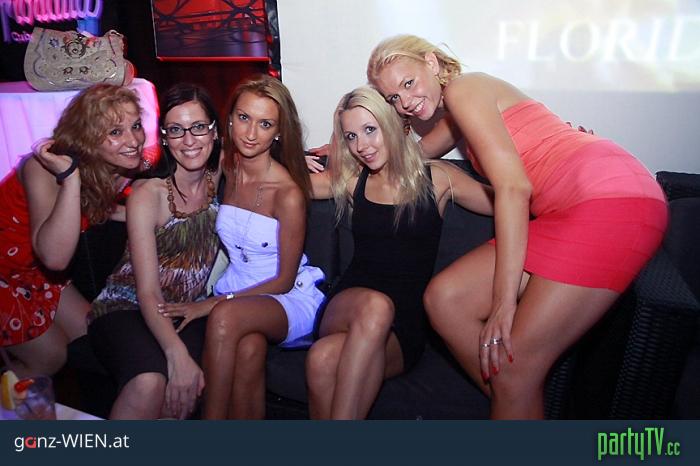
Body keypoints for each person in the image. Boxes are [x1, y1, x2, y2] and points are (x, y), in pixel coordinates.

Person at [366, 34, 668, 419]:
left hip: (609, 200)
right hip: (574, 205)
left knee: (515, 372)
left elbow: (513, 188)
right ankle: (517, 397)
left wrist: (503, 303)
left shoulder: (464, 89)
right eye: (393, 97)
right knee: (446, 298)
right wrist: (345, 152)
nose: (405, 102)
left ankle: (517, 393)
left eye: (408, 83)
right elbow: (410, 155)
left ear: (432, 62)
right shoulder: (461, 111)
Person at [304, 86, 494, 420]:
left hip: (404, 327)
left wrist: (563, 163)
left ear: (392, 123)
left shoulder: (438, 179)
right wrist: (289, 154)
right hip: (348, 305)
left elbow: (508, 198)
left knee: (321, 360)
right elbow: (282, 183)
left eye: (370, 130)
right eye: (351, 136)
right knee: (375, 306)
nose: (362, 146)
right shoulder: (352, 180)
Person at [158, 75, 324, 420]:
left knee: (224, 317)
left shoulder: (287, 194)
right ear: (230, 119)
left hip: (286, 295)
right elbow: (180, 197)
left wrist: (210, 303)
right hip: (239, 289)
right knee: (249, 349)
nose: (250, 133)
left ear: (278, 132)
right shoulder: (227, 166)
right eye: (244, 118)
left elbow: (283, 281)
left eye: (265, 124)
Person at [87, 83, 222, 419]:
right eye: (176, 130)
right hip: (127, 305)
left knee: (182, 395)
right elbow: (147, 291)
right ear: (163, 138)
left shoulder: (220, 174)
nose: (189, 140)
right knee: (149, 382)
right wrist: (176, 353)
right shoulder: (149, 194)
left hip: (186, 309)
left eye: (198, 127)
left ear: (215, 132)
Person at [0, 84, 145, 377]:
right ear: (86, 137)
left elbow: (100, 211)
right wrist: (70, 178)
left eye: (136, 126)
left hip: (36, 276)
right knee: (50, 357)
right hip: (5, 274)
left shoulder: (111, 168)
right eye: (115, 132)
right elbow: (54, 258)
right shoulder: (43, 169)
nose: (134, 140)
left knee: (95, 332)